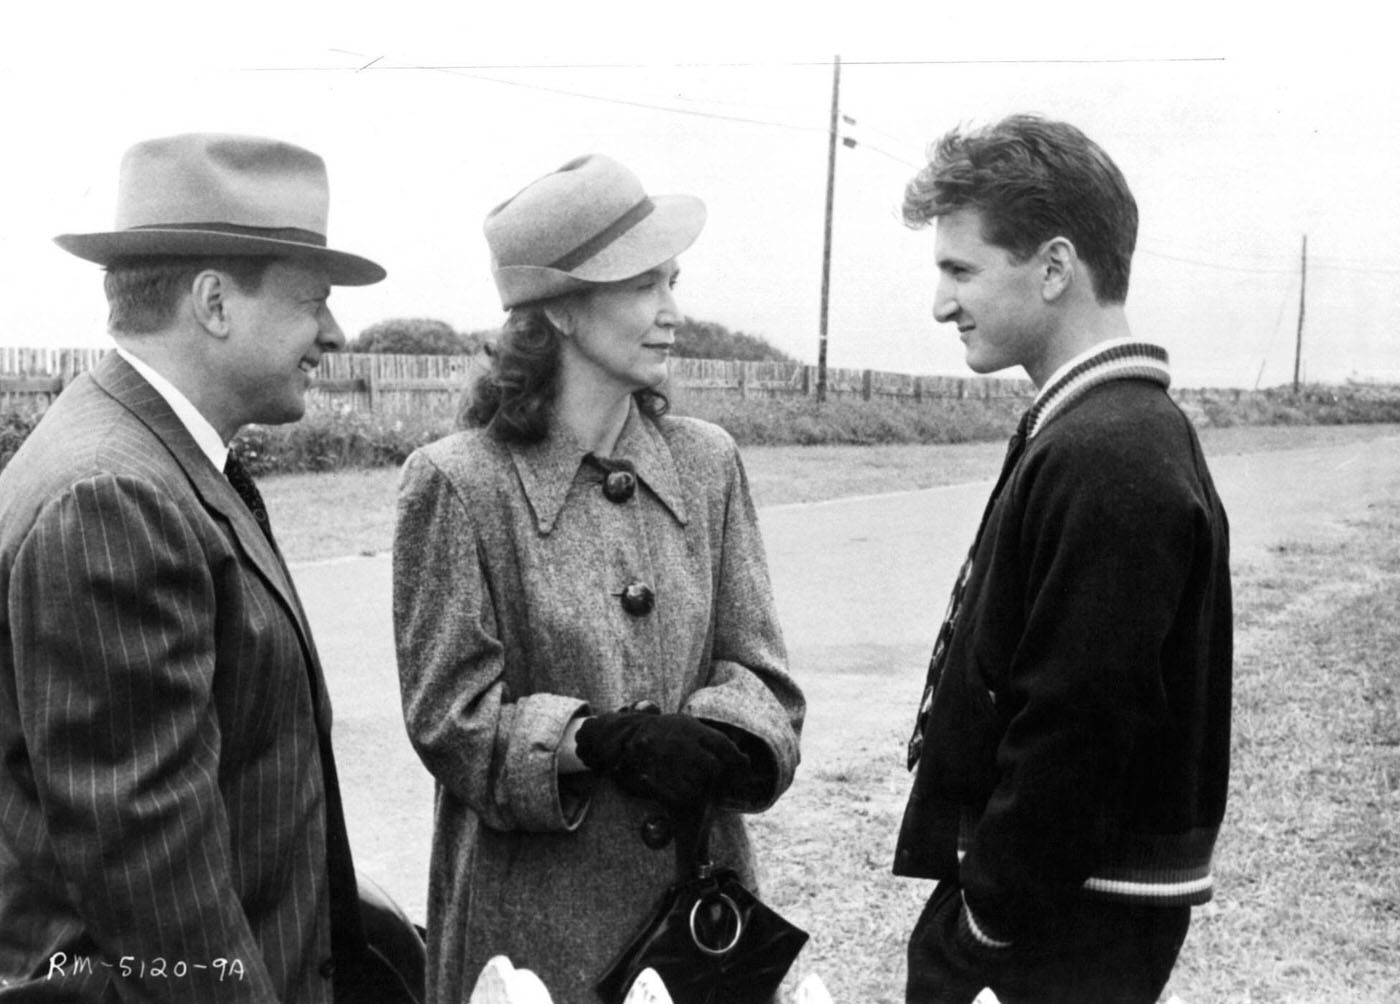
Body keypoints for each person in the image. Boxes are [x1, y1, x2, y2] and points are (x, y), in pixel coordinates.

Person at [0, 133, 417, 1002]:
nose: (334, 334)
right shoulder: (115, 496)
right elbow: (157, 890)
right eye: (314, 302)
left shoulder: (153, 459)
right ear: (216, 303)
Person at [392, 154, 805, 1002]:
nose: (672, 312)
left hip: (700, 928)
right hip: (535, 940)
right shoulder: (459, 484)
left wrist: (722, 737)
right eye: (644, 285)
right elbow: (449, 721)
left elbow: (764, 676)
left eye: (672, 282)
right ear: (563, 310)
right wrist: (597, 741)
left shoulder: (709, 464)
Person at [893, 114, 1233, 1004]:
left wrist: (985, 922)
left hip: (1058, 927)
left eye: (961, 270)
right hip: (1060, 911)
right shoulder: (1104, 429)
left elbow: (1077, 725)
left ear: (1053, 268)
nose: (941, 304)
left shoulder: (1112, 451)